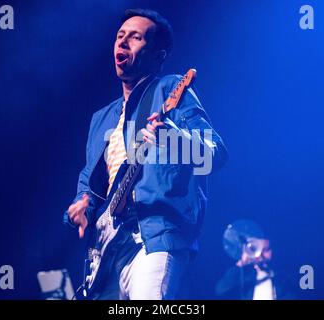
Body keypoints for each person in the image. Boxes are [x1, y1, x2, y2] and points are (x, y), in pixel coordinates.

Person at [65, 8, 228, 300]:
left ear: (158, 55)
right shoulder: (102, 118)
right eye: (120, 36)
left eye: (136, 37)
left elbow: (214, 154)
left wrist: (174, 138)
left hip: (154, 238)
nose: (123, 43)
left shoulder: (170, 90)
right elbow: (88, 183)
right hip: (107, 249)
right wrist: (82, 207)